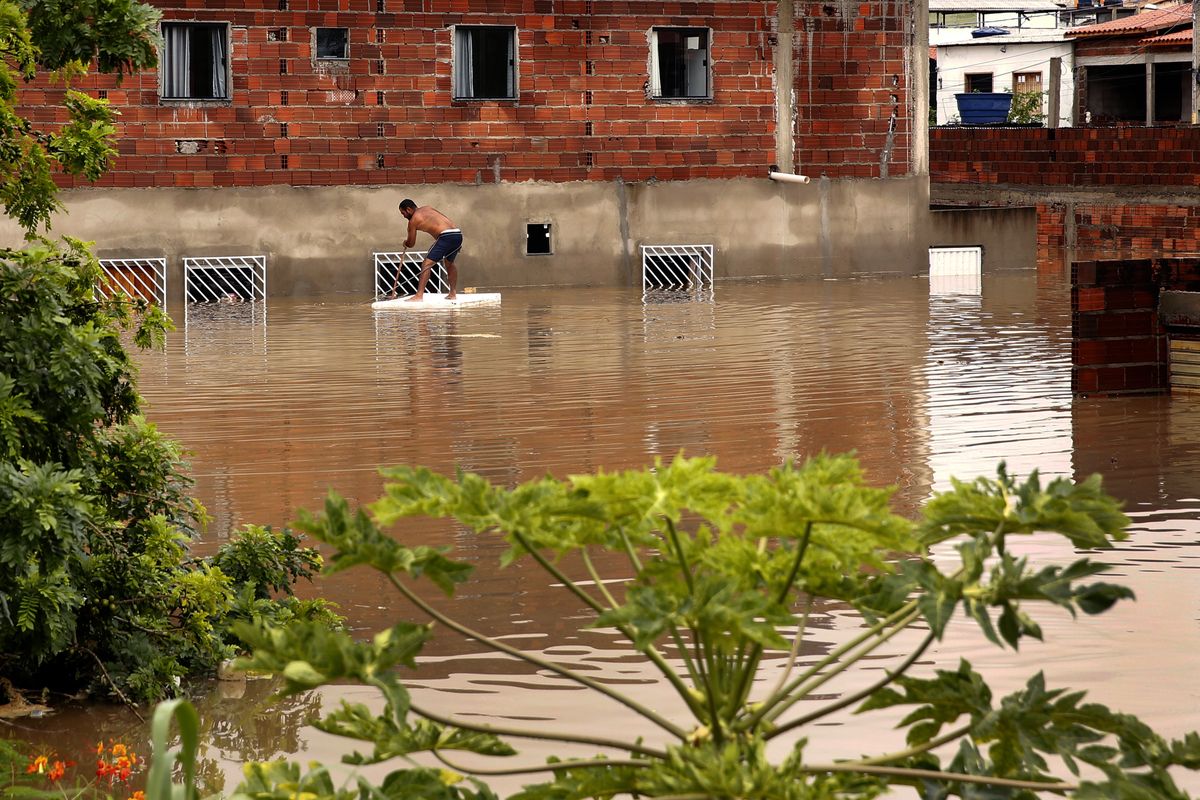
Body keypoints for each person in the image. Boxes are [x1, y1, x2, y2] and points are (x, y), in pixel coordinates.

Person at [395, 199, 463, 301]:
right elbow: (444, 220)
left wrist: (405, 243)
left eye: (403, 213)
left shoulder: (413, 221)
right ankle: (452, 293)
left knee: (426, 264)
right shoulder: (428, 208)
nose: (403, 216)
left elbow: (411, 244)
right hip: (457, 234)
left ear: (408, 209)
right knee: (449, 263)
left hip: (446, 236)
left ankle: (419, 296)